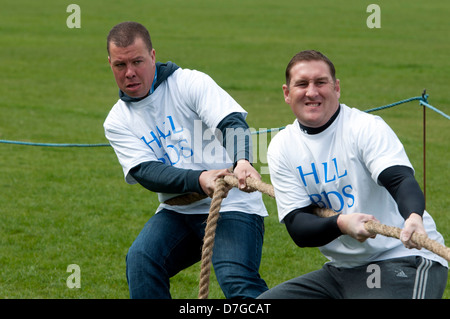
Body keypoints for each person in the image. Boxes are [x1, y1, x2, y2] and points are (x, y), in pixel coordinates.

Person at [258, 50, 448, 299]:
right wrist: (341, 224)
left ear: (336, 88)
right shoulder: (282, 147)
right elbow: (299, 228)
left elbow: (400, 180)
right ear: (287, 93)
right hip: (341, 272)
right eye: (302, 84)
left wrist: (413, 216)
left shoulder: (365, 127)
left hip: (402, 257)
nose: (312, 92)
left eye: (321, 82)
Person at [103, 21, 268, 299]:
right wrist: (198, 179)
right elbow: (146, 172)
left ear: (153, 56)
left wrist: (242, 160)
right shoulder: (117, 121)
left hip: (232, 204)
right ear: (110, 63)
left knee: (236, 278)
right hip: (178, 210)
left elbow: (231, 122)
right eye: (120, 65)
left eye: (137, 61)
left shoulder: (189, 83)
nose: (130, 72)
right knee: (142, 260)